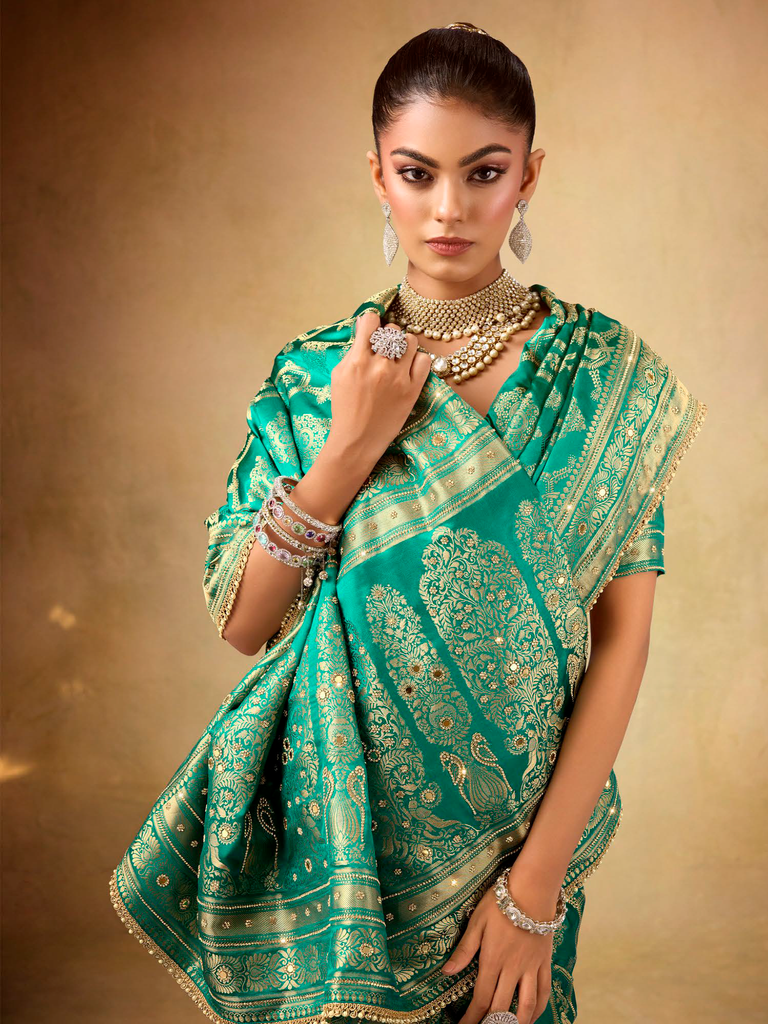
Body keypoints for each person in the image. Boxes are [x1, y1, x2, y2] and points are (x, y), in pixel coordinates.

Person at [109, 22, 707, 1024]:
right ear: (377, 176)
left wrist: (533, 889)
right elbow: (245, 621)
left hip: (516, 851)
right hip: (339, 852)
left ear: (529, 175)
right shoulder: (316, 375)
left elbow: (622, 642)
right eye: (417, 173)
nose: (448, 208)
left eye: (485, 172)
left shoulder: (607, 379)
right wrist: (348, 448)